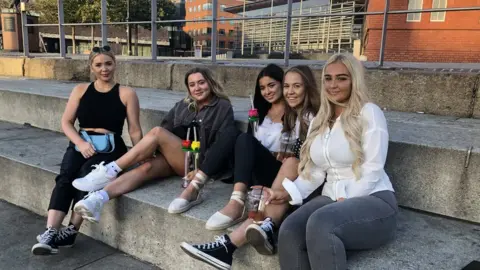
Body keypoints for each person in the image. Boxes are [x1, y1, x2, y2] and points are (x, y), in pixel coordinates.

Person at [180, 65, 321, 270]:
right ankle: (237, 231)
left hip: (302, 184)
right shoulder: (292, 116)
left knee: (289, 162)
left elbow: (313, 165)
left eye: (295, 86)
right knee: (242, 139)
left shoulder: (313, 118)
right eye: (288, 86)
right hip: (285, 180)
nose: (289, 91)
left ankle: (232, 240)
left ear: (307, 87)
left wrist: (287, 185)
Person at [274, 53, 397, 270]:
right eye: (328, 78)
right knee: (290, 230)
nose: (333, 85)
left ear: (354, 81)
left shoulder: (369, 113)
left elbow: (373, 169)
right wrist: (288, 192)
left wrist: (344, 199)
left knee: (322, 223)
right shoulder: (319, 119)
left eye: (342, 78)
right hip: (332, 198)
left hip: (373, 199)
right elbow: (316, 172)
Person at [71, 67, 238, 223]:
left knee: (157, 132)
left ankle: (110, 170)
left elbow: (222, 144)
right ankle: (97, 199)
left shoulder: (222, 107)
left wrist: (201, 170)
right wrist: (152, 152)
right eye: (192, 85)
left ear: (210, 83)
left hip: (198, 163)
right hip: (176, 158)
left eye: (201, 83)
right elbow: (168, 128)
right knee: (145, 168)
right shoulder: (183, 106)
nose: (197, 88)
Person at [31, 45, 142, 255]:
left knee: (87, 177)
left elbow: (134, 130)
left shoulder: (127, 93)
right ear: (91, 67)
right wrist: (80, 144)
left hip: (111, 146)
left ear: (115, 64)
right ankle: (50, 231)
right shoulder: (80, 90)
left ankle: (72, 230)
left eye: (108, 64)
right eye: (98, 65)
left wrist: (142, 155)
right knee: (65, 176)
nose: (104, 69)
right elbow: (66, 122)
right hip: (81, 142)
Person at [204, 63, 286, 230]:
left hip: (277, 174)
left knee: (245, 140)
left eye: (271, 85)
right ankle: (198, 181)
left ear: (282, 84)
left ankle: (238, 202)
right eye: (262, 88)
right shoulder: (259, 112)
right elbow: (251, 141)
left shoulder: (295, 112)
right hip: (254, 171)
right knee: (233, 134)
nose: (267, 92)